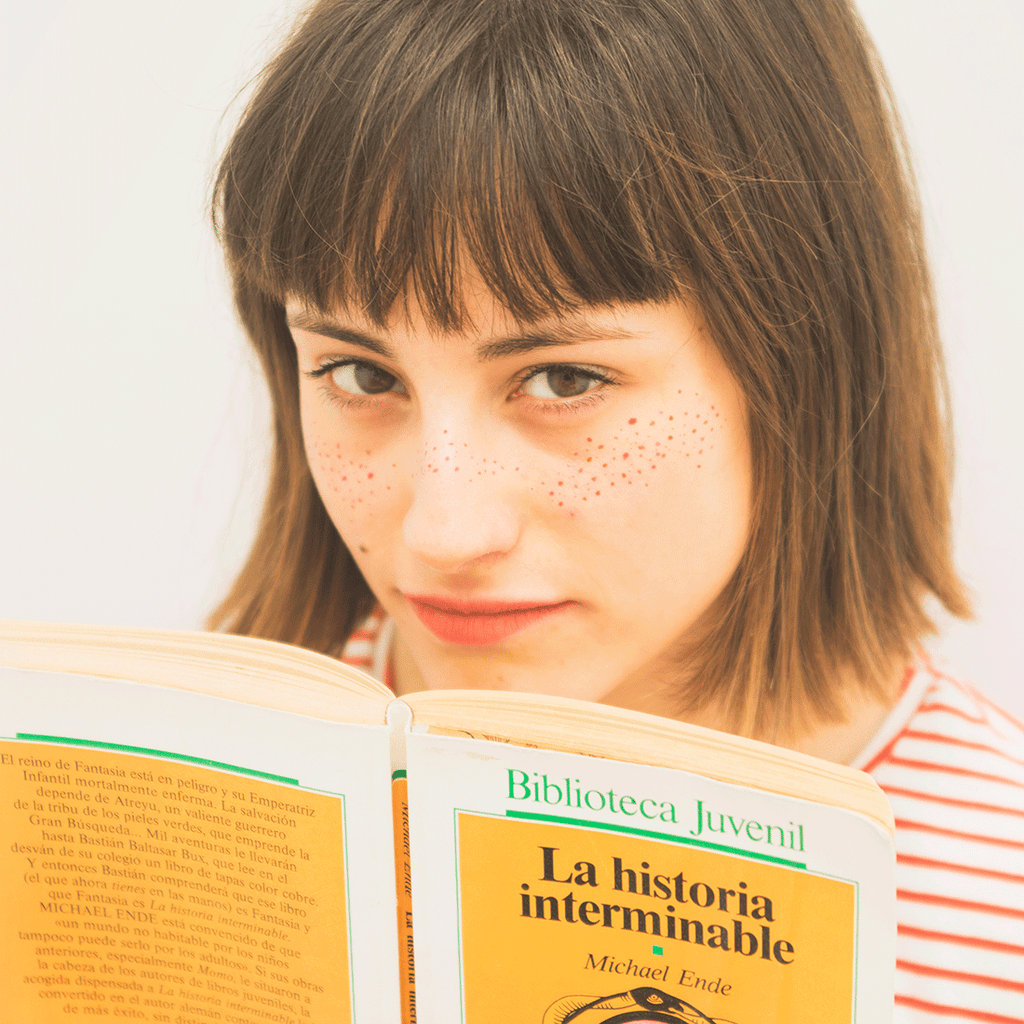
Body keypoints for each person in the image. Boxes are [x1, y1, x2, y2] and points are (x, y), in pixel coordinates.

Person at [208, 0, 1024, 1017]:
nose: (443, 531)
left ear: (799, 367)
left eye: (563, 380)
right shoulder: (209, 798)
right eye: (361, 375)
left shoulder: (1001, 905)